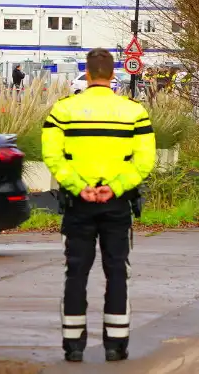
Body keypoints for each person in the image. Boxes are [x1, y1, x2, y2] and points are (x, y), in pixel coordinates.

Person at [42, 48, 156, 363]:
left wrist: (80, 187)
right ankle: (116, 345)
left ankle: (73, 346)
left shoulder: (63, 111)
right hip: (117, 204)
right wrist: (114, 187)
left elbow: (53, 157)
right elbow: (145, 160)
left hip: (78, 204)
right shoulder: (134, 112)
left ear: (89, 75)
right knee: (117, 271)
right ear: (113, 76)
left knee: (75, 271)